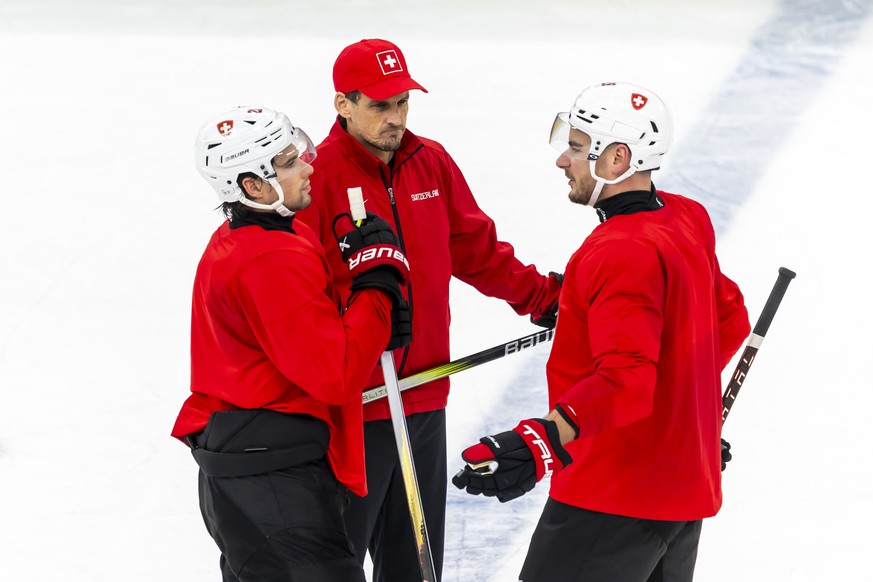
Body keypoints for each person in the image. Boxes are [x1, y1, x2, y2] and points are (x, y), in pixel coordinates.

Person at [452, 82, 752, 582]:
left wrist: (541, 440)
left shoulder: (618, 251)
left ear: (616, 159)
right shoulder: (686, 217)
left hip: (612, 497)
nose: (562, 161)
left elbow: (626, 381)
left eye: (575, 147)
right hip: (680, 495)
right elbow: (727, 319)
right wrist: (686, 430)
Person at [293, 38, 562, 581]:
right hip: (352, 408)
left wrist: (543, 298)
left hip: (422, 398)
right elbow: (295, 291)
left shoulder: (429, 162)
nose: (395, 118)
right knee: (334, 565)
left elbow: (476, 251)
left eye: (403, 103)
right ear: (342, 104)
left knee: (415, 565)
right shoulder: (314, 178)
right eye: (380, 105)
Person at [171, 106, 412, 581]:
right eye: (287, 162)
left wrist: (370, 313)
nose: (307, 165)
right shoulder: (270, 257)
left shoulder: (249, 238)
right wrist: (378, 287)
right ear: (252, 186)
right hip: (272, 483)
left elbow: (301, 334)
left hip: (253, 470)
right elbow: (335, 375)